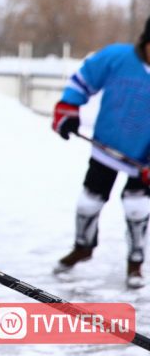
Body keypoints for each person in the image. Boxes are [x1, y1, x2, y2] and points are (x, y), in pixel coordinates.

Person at [52, 15, 150, 289]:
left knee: (137, 207)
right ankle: (83, 246)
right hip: (106, 147)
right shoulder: (116, 58)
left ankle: (135, 261)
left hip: (142, 158)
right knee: (88, 202)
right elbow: (82, 81)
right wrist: (69, 109)